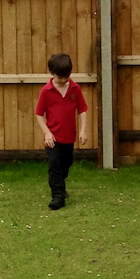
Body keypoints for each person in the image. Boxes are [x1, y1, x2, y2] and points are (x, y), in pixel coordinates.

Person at [34, 52, 89, 210]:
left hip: (69, 137)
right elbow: (38, 114)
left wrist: (83, 130)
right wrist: (47, 132)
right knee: (54, 164)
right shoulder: (46, 91)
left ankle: (60, 185)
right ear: (52, 74)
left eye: (67, 77)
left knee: (66, 163)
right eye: (60, 78)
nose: (64, 80)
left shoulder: (75, 89)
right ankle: (57, 195)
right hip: (53, 138)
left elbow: (82, 110)